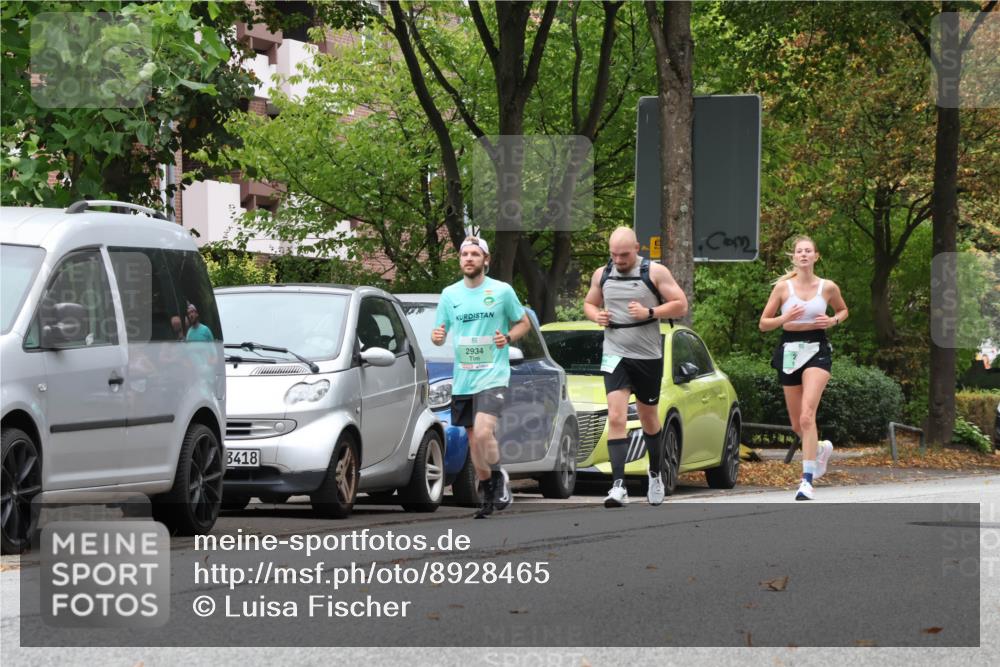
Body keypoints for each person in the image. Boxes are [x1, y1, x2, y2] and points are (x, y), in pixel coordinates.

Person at [583, 227, 688, 508]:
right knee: (616, 417)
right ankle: (618, 486)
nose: (618, 260)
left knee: (648, 418)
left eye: (624, 255)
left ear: (637, 248)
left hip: (646, 355)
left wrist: (650, 312)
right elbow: (589, 304)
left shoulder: (655, 272)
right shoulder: (601, 273)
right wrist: (598, 315)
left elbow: (681, 305)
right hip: (614, 353)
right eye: (614, 254)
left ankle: (655, 474)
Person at [432, 236, 532, 518]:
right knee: (475, 440)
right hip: (463, 378)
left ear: (485, 260)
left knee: (485, 430)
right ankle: (488, 488)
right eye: (465, 254)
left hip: (493, 375)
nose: (469, 258)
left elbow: (523, 322)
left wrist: (508, 337)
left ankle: (498, 477)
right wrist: (437, 336)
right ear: (460, 260)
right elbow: (439, 333)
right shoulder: (450, 294)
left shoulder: (501, 291)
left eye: (475, 254)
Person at [758, 235, 849, 500]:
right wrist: (785, 317)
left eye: (809, 251)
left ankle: (806, 481)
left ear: (816, 256)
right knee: (798, 424)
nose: (804, 255)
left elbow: (843, 311)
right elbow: (764, 324)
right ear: (794, 257)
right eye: (800, 251)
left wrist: (832, 321)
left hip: (817, 349)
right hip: (789, 350)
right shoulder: (783, 289)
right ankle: (819, 448)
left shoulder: (828, 287)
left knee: (808, 416)